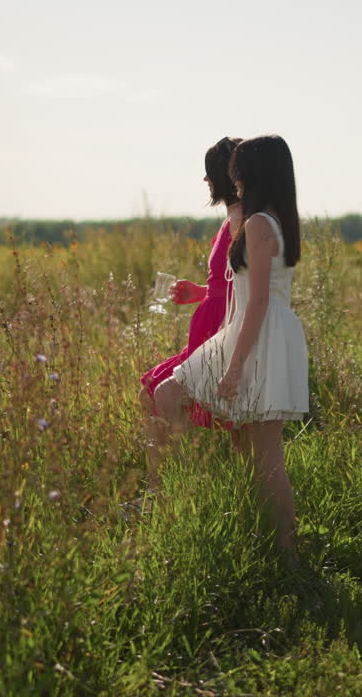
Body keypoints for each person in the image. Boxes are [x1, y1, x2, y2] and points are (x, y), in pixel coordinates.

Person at [154, 134, 308, 564]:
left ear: (254, 173)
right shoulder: (277, 218)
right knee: (258, 449)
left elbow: (257, 301)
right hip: (261, 330)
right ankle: (277, 546)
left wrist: (234, 366)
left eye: (238, 171)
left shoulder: (258, 223)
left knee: (266, 454)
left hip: (258, 333)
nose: (232, 179)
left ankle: (285, 553)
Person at [140, 137, 245, 486]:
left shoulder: (243, 219)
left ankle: (177, 488)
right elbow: (228, 283)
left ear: (224, 175)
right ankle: (162, 489)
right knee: (151, 393)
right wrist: (200, 292)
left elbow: (246, 287)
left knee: (163, 395)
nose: (205, 180)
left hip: (221, 330)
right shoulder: (232, 218)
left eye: (209, 172)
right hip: (211, 324)